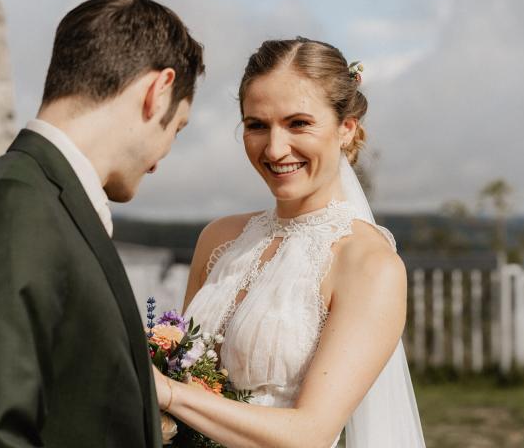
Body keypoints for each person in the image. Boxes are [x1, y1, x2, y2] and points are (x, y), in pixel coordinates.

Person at [0, 0, 204, 448]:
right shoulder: (11, 205)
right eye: (176, 129)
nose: (162, 158)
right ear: (157, 92)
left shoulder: (49, 203)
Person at [153, 37, 425, 447]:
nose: (276, 148)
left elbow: (310, 433)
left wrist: (169, 393)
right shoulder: (218, 239)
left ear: (346, 129)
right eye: (257, 125)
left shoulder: (369, 264)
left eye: (298, 123)